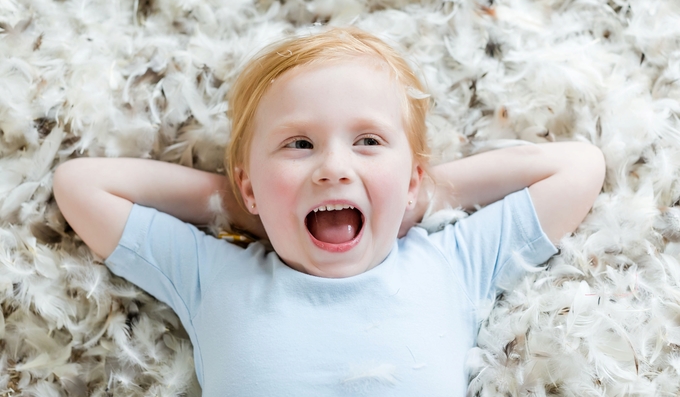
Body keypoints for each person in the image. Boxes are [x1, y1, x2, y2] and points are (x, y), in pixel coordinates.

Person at [53, 27, 605, 396]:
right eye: (298, 145)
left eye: (367, 142)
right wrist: (242, 206)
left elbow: (579, 169)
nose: (334, 168)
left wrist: (423, 195)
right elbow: (81, 186)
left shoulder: (450, 264)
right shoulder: (213, 276)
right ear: (250, 186)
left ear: (411, 175)